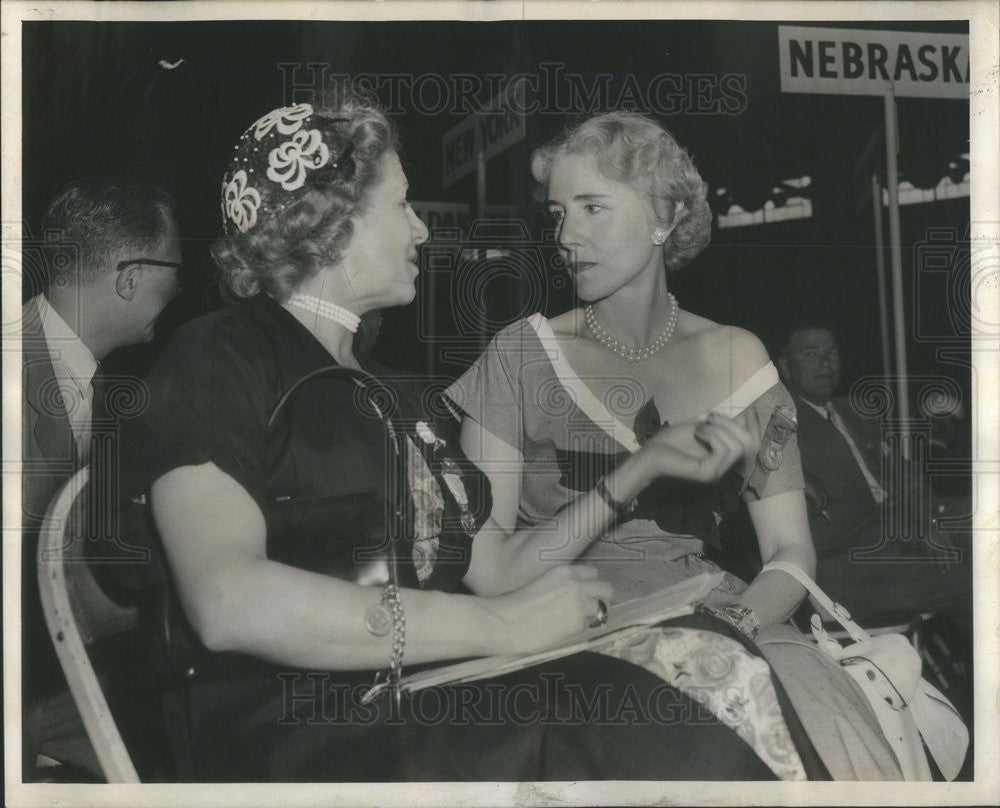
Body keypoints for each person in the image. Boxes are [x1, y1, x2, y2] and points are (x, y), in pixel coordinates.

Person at [115, 93, 827, 782]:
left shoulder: (389, 392)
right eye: (401, 205)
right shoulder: (219, 354)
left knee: (697, 688)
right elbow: (228, 601)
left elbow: (489, 568)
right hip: (297, 730)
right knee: (667, 717)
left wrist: (624, 489)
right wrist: (500, 626)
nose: (422, 229)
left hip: (418, 695)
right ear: (331, 221)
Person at [446, 112, 908, 779]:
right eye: (557, 214)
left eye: (593, 208)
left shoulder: (735, 356)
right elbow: (486, 572)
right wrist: (640, 468)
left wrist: (740, 623)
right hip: (567, 628)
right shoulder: (518, 357)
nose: (567, 236)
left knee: (835, 739)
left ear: (662, 218)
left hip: (725, 615)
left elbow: (789, 550)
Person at [21, 177, 183, 778]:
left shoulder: (116, 391)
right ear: (131, 276)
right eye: (176, 269)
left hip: (70, 684)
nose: (182, 287)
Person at [776, 325, 972, 625]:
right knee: (974, 581)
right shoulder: (780, 425)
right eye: (810, 353)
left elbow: (904, 474)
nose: (825, 362)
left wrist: (926, 523)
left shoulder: (856, 412)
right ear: (786, 368)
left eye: (832, 353)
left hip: (903, 527)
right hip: (853, 565)